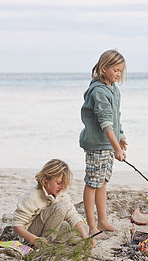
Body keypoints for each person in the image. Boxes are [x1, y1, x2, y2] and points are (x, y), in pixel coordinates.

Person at [79, 49, 127, 236]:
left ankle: (103, 221)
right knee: (92, 183)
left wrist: (121, 136)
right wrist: (117, 148)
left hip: (108, 144)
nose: (118, 74)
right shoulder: (98, 91)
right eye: (115, 70)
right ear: (104, 68)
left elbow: (116, 118)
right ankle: (91, 226)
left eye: (121, 71)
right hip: (97, 144)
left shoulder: (114, 90)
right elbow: (106, 123)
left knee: (102, 182)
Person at [12, 159, 89, 244]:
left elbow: (72, 215)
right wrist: (33, 239)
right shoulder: (31, 196)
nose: (61, 187)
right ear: (46, 179)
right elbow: (17, 225)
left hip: (49, 228)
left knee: (84, 229)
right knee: (60, 207)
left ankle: (52, 241)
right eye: (58, 183)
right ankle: (45, 244)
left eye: (64, 183)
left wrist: (86, 238)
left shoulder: (61, 193)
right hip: (31, 233)